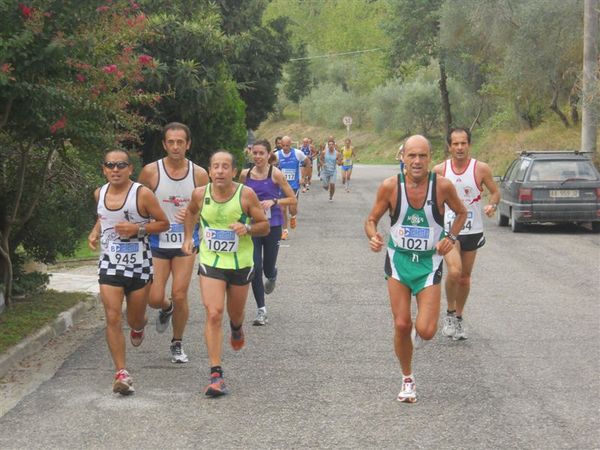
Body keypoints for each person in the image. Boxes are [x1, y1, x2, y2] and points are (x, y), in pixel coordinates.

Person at [364, 135, 467, 403]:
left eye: (422, 156)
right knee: (401, 323)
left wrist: (451, 237)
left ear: (430, 158)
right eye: (412, 156)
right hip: (399, 262)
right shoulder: (390, 187)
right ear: (403, 157)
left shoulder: (442, 186)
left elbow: (462, 213)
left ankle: (417, 335)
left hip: (428, 263)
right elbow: (371, 219)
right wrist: (373, 235)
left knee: (427, 330)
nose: (417, 161)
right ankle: (407, 379)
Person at [182, 150, 269, 397]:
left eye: (225, 167)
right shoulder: (200, 194)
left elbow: (264, 226)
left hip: (240, 263)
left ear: (233, 172)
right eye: (215, 166)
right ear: (209, 171)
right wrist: (189, 237)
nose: (220, 171)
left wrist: (248, 227)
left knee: (235, 312)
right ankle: (216, 373)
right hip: (211, 261)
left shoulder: (246, 195)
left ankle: (237, 326)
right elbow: (190, 213)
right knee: (213, 313)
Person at [88, 149, 169, 395]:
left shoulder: (142, 194)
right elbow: (105, 217)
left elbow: (163, 223)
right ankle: (121, 373)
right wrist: (95, 231)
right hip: (110, 264)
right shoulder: (99, 193)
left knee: (133, 318)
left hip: (139, 265)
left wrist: (137, 229)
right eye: (110, 165)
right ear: (104, 169)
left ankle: (139, 325)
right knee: (112, 317)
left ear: (130, 169)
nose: (115, 170)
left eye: (120, 165)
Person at [137, 122, 209, 364]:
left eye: (180, 142)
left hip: (186, 241)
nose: (176, 146)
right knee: (154, 298)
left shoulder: (199, 173)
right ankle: (165, 309)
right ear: (164, 144)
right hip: (157, 241)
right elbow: (139, 202)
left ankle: (177, 342)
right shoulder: (150, 171)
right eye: (171, 142)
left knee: (180, 294)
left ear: (188, 144)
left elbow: (208, 206)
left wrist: (193, 216)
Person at [433, 127, 500, 341]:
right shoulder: (440, 170)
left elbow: (495, 192)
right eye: (455, 144)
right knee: (454, 271)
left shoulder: (481, 168)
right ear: (449, 146)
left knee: (464, 278)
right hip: (450, 229)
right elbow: (427, 195)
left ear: (469, 144)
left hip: (473, 229)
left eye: (463, 143)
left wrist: (492, 205)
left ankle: (459, 318)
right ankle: (450, 314)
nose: (460, 147)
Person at [239, 139, 297, 325]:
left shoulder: (275, 174)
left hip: (272, 226)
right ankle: (261, 310)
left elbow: (292, 199)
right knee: (255, 267)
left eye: (261, 153)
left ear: (268, 154)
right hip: (253, 226)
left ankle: (272, 275)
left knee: (267, 266)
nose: (257, 157)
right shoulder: (244, 174)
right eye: (254, 153)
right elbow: (238, 197)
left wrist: (274, 202)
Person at [274, 135, 308, 240]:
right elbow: (271, 167)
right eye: (283, 145)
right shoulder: (277, 155)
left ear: (291, 144)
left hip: (293, 186)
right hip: (281, 186)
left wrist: (303, 178)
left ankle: (293, 216)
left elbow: (308, 162)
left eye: (287, 145)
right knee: (282, 209)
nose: (285, 148)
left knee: (292, 209)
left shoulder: (298, 153)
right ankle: (284, 231)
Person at [319, 137, 343, 201]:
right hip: (325, 171)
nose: (331, 146)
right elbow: (320, 159)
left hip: (333, 171)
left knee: (332, 184)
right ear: (328, 145)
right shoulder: (324, 152)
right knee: (325, 187)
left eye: (332, 144)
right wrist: (323, 164)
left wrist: (339, 162)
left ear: (334, 145)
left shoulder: (337, 153)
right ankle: (326, 186)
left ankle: (331, 196)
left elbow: (339, 163)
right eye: (329, 144)